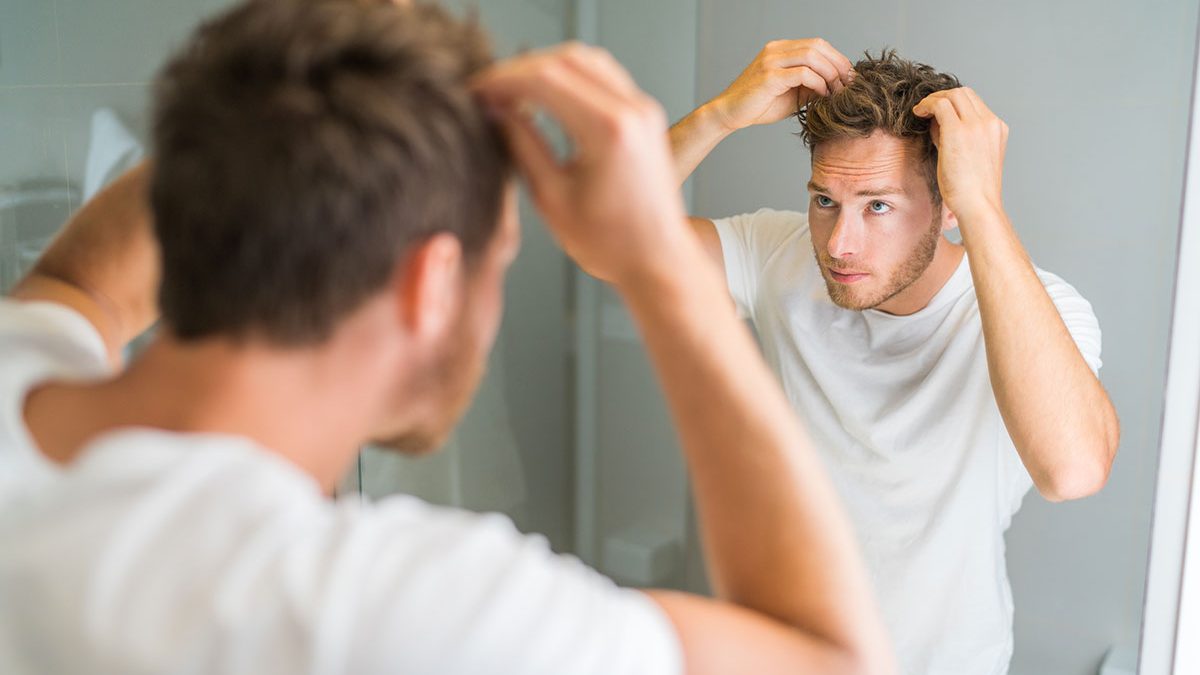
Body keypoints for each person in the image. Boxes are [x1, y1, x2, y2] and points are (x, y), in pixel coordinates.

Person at [0, 2, 895, 673]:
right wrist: (657, 258)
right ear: (431, 283)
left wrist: (315, 90)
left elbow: (79, 281)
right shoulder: (388, 612)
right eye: (496, 259)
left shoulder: (18, 367)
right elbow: (832, 656)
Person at [669, 41, 1121, 674]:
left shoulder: (1041, 308)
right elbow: (606, 244)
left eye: (878, 205)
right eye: (826, 200)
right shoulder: (780, 252)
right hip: (785, 654)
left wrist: (983, 206)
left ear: (946, 203)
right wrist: (717, 115)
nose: (839, 244)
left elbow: (1072, 471)